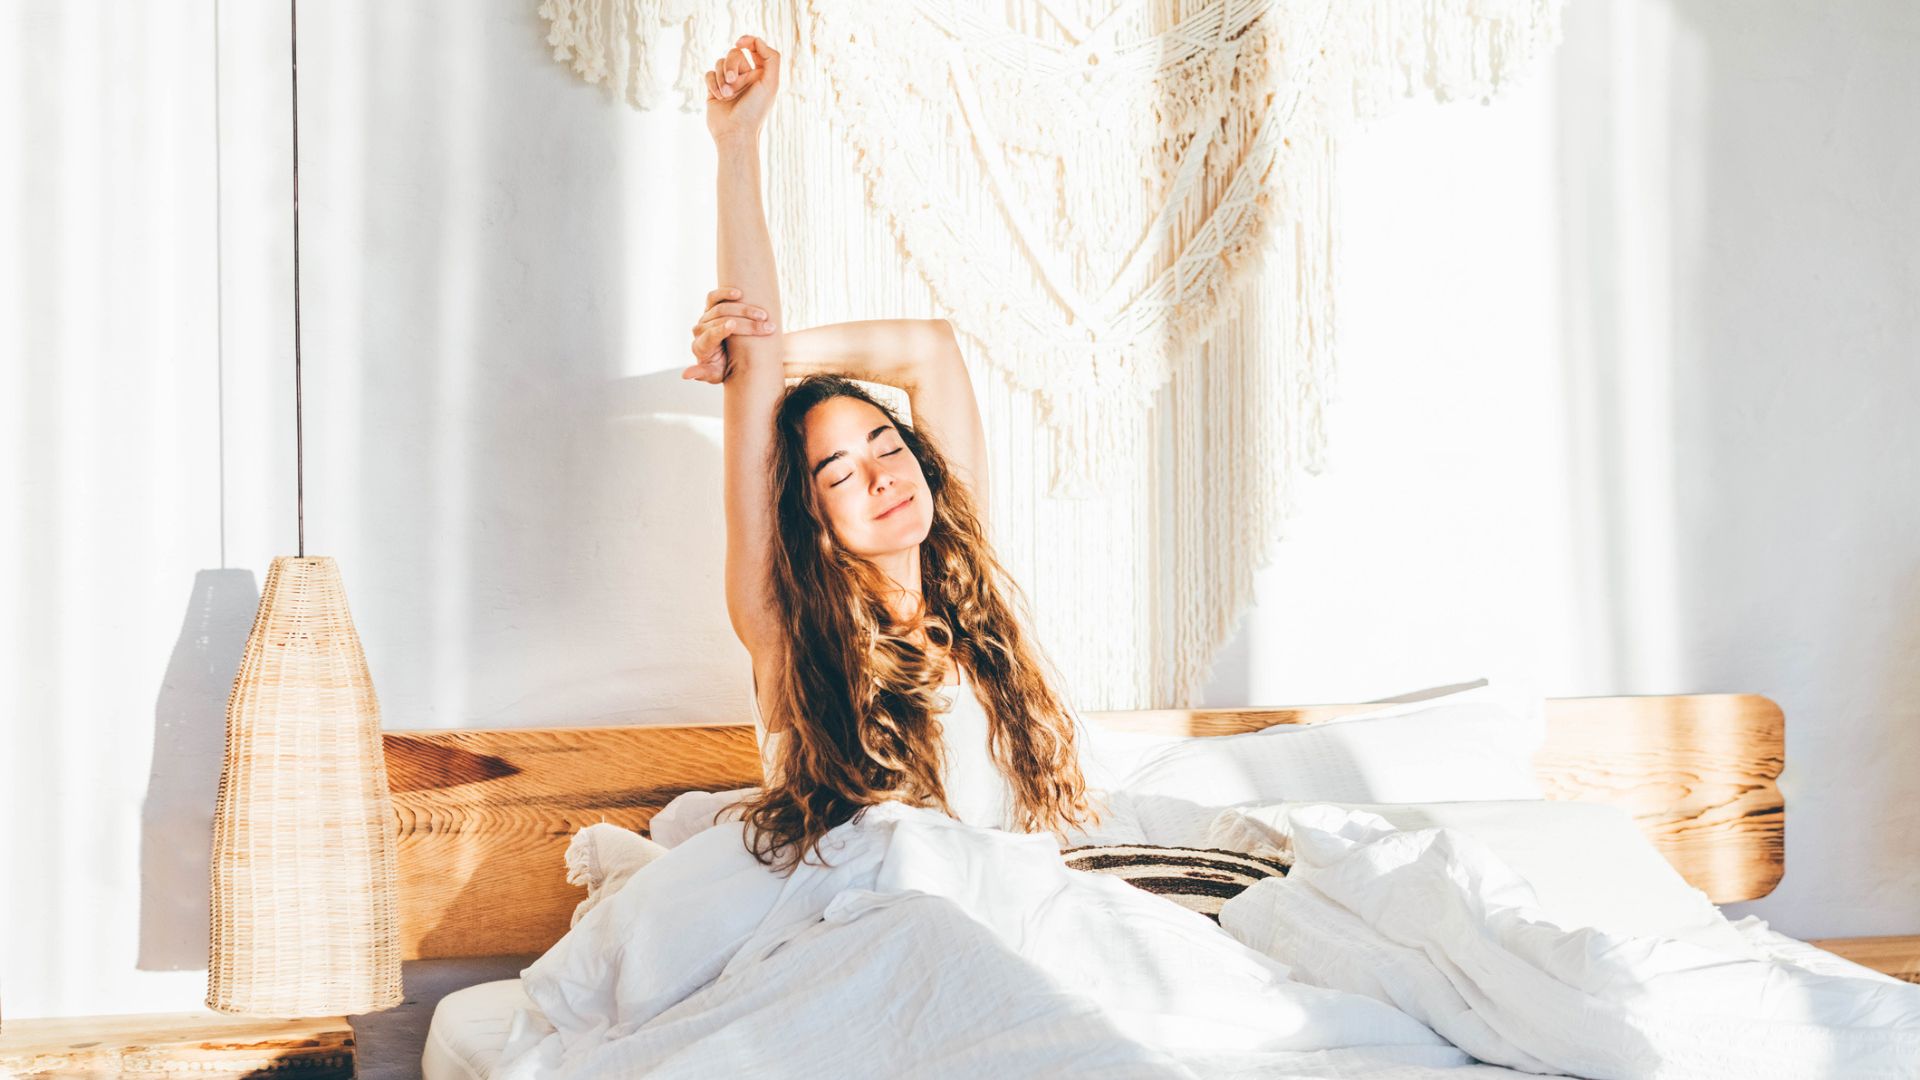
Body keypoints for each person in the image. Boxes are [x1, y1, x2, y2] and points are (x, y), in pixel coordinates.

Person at [681, 35, 1096, 871]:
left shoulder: (966, 600)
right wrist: (737, 144)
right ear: (812, 519)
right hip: (881, 927)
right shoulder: (786, 628)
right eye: (837, 472)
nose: (880, 473)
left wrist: (772, 356)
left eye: (885, 442)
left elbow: (930, 350)